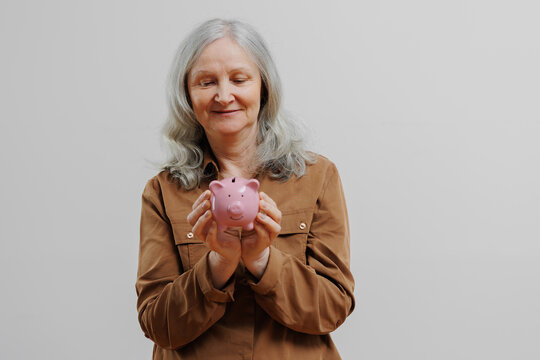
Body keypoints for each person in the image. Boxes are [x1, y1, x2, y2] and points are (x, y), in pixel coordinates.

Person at [136, 18, 355, 360]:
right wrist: (218, 265)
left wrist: (262, 260)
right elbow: (158, 324)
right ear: (188, 95)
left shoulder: (317, 176)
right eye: (206, 82)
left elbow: (332, 308)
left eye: (239, 79)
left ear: (264, 87)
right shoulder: (163, 191)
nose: (224, 96)